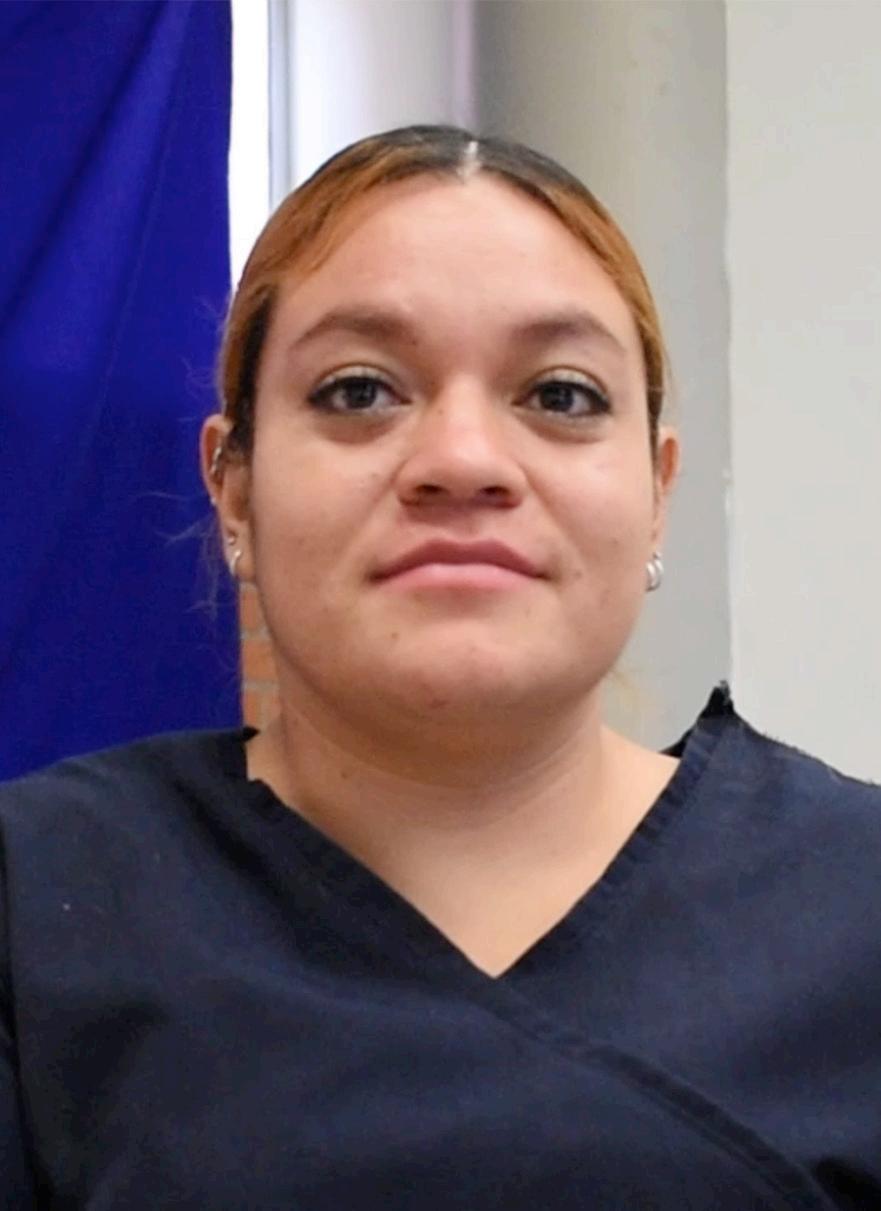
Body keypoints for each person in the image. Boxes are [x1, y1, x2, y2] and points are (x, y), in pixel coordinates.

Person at [1, 125, 878, 1210]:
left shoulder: (855, 905)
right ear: (233, 486)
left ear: (656, 491)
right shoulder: (40, 906)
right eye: (358, 391)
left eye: (560, 395)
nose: (462, 460)